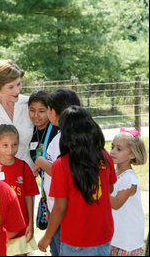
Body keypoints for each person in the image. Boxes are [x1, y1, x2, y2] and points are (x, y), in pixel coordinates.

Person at [38, 106, 117, 256]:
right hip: (103, 235)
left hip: (76, 240)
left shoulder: (61, 165)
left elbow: (60, 207)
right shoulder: (104, 156)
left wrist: (47, 237)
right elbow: (110, 188)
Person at [32, 88, 81, 255]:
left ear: (53, 112)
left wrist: (40, 161)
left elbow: (60, 171)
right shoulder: (69, 135)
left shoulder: (63, 139)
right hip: (63, 207)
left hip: (61, 209)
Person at [0, 124, 39, 256]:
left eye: (14, 145)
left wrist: (31, 222)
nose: (10, 149)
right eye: (5, 145)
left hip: (20, 225)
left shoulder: (23, 167)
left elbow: (29, 196)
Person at [109, 128, 147, 256]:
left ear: (132, 155)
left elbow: (116, 204)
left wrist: (97, 187)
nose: (113, 151)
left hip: (127, 241)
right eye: (112, 147)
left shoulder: (129, 179)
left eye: (119, 149)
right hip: (114, 236)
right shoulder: (113, 173)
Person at [28, 89, 59, 164]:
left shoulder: (57, 132)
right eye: (32, 110)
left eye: (41, 111)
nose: (36, 115)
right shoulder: (29, 130)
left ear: (50, 110)